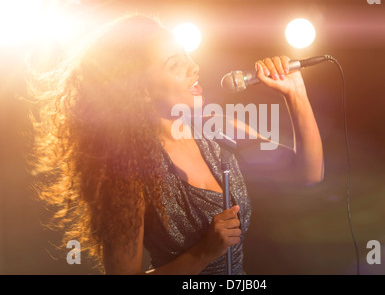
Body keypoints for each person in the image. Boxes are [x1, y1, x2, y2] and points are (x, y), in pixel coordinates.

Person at [29, 14, 324, 275]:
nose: (193, 67)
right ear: (140, 91)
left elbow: (307, 173)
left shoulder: (214, 124)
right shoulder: (128, 175)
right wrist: (203, 253)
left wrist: (296, 94)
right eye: (175, 64)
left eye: (186, 55)